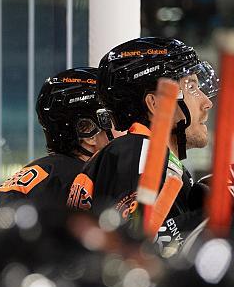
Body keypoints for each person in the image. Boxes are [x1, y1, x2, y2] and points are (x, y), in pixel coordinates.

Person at [67, 37, 218, 249]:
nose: (207, 102)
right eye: (191, 86)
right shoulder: (140, 152)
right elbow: (137, 249)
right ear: (155, 103)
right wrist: (214, 214)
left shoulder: (138, 154)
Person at [0, 68, 115, 219]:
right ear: (88, 131)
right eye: (113, 118)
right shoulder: (79, 179)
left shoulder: (48, 171)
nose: (124, 128)